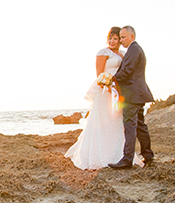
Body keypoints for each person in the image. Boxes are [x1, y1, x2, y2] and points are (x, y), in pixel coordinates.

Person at [65, 27, 142, 170]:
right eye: (110, 38)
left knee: (116, 121)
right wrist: (107, 85)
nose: (112, 41)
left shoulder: (123, 53)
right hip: (105, 90)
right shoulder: (103, 53)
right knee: (102, 120)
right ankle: (97, 155)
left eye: (116, 39)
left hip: (118, 90)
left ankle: (119, 155)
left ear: (120, 40)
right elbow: (99, 74)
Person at [108, 25, 155, 169]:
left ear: (132, 37)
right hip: (138, 94)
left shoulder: (134, 49)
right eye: (120, 37)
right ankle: (148, 156)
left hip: (132, 95)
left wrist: (112, 80)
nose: (121, 40)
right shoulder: (135, 49)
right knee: (140, 126)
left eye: (123, 37)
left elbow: (127, 71)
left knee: (130, 126)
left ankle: (127, 159)